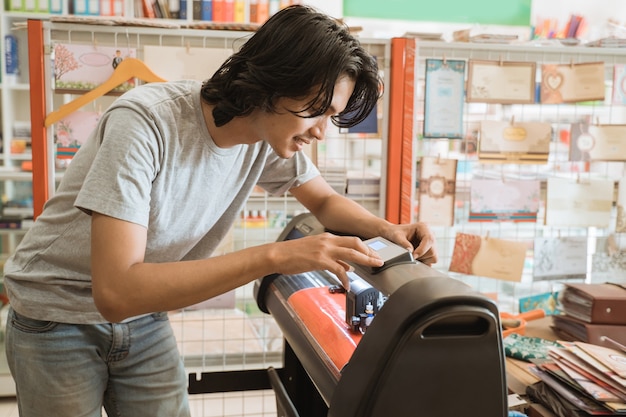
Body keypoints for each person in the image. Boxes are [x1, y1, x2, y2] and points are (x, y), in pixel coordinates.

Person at [3, 5, 437, 417]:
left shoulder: (270, 135)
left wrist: (387, 228)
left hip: (145, 314)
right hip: (55, 313)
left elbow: (323, 200)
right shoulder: (146, 123)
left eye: (332, 115)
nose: (321, 131)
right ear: (273, 82)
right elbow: (116, 292)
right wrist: (276, 256)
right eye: (315, 112)